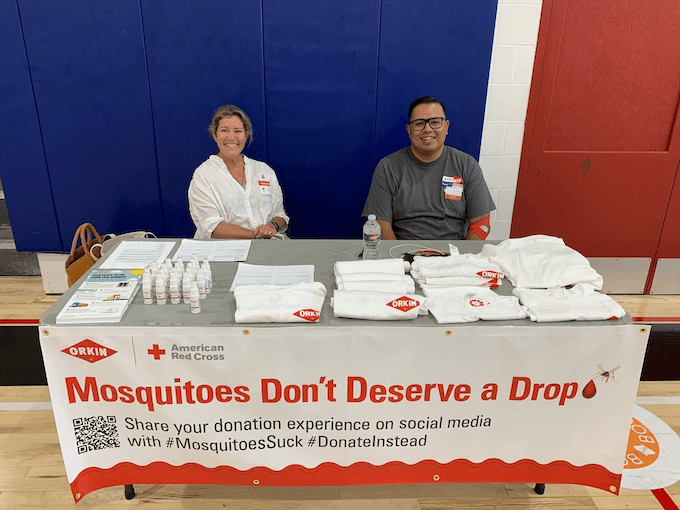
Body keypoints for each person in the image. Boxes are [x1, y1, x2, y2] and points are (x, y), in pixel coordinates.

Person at [362, 96, 495, 240]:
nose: (427, 129)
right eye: (419, 124)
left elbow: (481, 223)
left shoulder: (467, 165)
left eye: (435, 122)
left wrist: (462, 259)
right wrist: (399, 259)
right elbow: (381, 225)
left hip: (453, 255)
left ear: (446, 126)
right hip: (404, 254)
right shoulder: (388, 167)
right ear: (409, 130)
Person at [188, 105, 289, 239]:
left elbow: (279, 213)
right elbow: (210, 226)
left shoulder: (264, 170)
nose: (231, 137)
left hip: (266, 248)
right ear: (215, 134)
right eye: (224, 130)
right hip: (223, 252)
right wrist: (256, 236)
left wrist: (272, 226)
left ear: (245, 135)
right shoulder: (204, 175)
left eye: (238, 131)